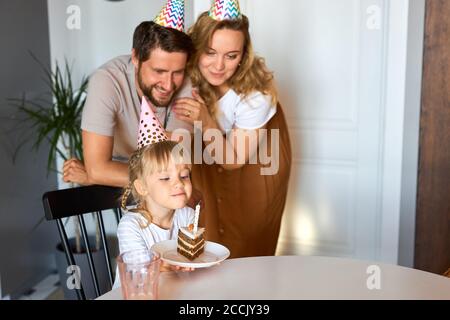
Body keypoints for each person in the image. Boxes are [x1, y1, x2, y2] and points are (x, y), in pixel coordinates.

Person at [171, 0, 292, 258]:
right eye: (210, 52)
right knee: (203, 233)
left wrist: (204, 117)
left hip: (255, 162)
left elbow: (233, 159)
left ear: (244, 54)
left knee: (246, 241)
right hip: (208, 156)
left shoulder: (255, 94)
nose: (218, 66)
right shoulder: (183, 74)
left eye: (231, 56)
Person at [63, 0, 194, 187]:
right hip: (138, 191)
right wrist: (98, 173)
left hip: (164, 192)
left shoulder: (187, 82)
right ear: (135, 58)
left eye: (177, 72)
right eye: (159, 71)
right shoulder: (106, 81)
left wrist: (96, 176)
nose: (168, 84)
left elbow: (178, 165)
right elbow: (99, 169)